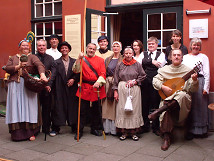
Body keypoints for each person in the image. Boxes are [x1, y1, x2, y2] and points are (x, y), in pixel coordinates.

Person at [148, 49, 198, 151]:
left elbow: (192, 89)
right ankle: (167, 138)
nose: (176, 57)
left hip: (183, 101)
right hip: (168, 99)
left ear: (182, 57)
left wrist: (194, 80)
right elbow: (155, 80)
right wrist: (163, 87)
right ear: (170, 57)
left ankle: (158, 111)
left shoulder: (188, 70)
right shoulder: (165, 69)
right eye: (174, 55)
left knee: (181, 94)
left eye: (178, 55)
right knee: (168, 110)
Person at [5, 40, 48, 141]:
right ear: (19, 47)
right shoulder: (13, 58)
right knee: (15, 108)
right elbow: (7, 68)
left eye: (27, 46)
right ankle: (17, 133)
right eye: (23, 45)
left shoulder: (32, 57)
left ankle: (31, 132)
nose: (25, 47)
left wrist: (42, 74)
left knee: (29, 107)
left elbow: (39, 65)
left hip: (28, 86)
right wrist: (18, 66)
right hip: (15, 85)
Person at [73, 43, 106, 140]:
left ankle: (95, 128)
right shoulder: (82, 59)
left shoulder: (100, 60)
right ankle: (79, 130)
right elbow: (75, 70)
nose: (91, 50)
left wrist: (99, 82)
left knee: (96, 110)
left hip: (96, 87)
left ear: (95, 50)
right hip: (84, 87)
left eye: (93, 49)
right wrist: (78, 59)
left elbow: (103, 73)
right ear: (86, 49)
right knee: (82, 110)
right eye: (90, 48)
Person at [113, 47, 146, 141]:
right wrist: (115, 91)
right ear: (124, 54)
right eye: (126, 53)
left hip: (134, 89)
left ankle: (133, 133)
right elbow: (115, 78)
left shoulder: (137, 64)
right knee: (122, 109)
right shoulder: (120, 64)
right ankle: (124, 132)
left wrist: (135, 82)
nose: (128, 55)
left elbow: (143, 76)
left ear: (132, 54)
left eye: (130, 53)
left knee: (134, 110)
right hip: (122, 89)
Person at [46, 41, 79, 136]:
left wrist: (73, 79)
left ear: (69, 50)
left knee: (72, 107)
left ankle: (74, 126)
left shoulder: (74, 61)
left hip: (71, 88)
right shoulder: (56, 62)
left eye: (66, 48)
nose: (64, 49)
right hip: (59, 87)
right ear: (60, 50)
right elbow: (53, 75)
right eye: (62, 48)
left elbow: (78, 73)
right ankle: (56, 128)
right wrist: (49, 84)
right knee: (58, 107)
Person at [183, 37, 210, 138]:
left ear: (200, 47)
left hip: (200, 82)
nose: (196, 47)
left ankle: (201, 131)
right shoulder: (185, 57)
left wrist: (206, 88)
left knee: (200, 107)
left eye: (198, 45)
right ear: (191, 46)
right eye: (194, 45)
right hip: (188, 82)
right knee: (190, 106)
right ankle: (189, 130)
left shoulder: (204, 57)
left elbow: (207, 73)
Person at [141, 36, 166, 135]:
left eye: (153, 44)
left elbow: (160, 65)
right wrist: (151, 62)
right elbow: (140, 63)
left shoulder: (161, 54)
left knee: (155, 104)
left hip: (156, 81)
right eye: (149, 44)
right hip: (144, 82)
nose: (151, 46)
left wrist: (146, 62)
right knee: (144, 104)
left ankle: (155, 127)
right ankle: (145, 126)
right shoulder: (144, 53)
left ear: (156, 45)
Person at [102, 41, 123, 135]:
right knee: (107, 106)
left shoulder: (123, 59)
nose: (115, 48)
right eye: (114, 46)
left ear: (121, 48)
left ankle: (116, 129)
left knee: (116, 105)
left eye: (117, 46)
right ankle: (107, 128)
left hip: (118, 83)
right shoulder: (108, 59)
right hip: (107, 84)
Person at [35, 39, 55, 134]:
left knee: (47, 109)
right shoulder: (33, 57)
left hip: (47, 87)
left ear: (46, 47)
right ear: (37, 47)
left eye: (43, 45)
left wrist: (49, 84)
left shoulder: (50, 58)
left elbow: (53, 72)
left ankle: (46, 128)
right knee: (36, 109)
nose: (41, 47)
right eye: (39, 45)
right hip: (35, 88)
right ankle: (35, 128)